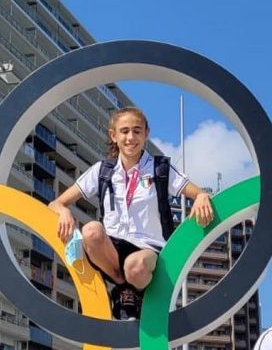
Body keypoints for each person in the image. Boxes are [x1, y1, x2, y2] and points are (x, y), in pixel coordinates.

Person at [49, 106, 214, 320]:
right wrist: (63, 211)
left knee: (134, 266)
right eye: (124, 131)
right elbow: (57, 203)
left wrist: (201, 196)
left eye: (137, 131)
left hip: (148, 250)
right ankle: (122, 289)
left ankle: (135, 293)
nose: (130, 137)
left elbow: (197, 192)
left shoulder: (158, 168)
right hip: (112, 250)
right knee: (90, 231)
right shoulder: (103, 170)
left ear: (146, 134)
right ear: (114, 135)